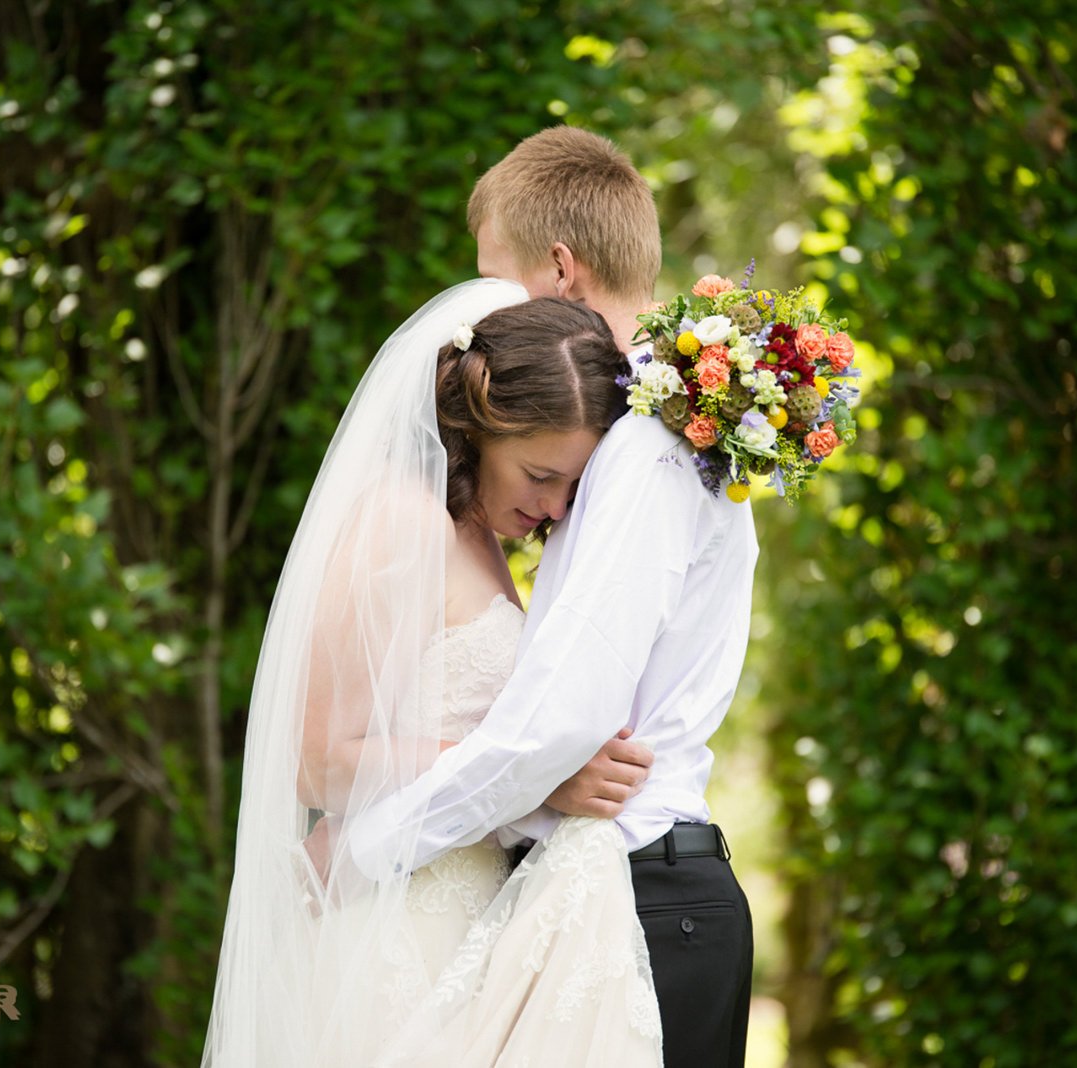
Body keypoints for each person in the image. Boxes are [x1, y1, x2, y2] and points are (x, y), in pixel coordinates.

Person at [344, 126, 759, 1067]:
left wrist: (370, 847)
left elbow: (555, 731)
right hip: (617, 893)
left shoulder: (648, 454)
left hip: (644, 902)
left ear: (561, 270)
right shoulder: (624, 441)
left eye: (495, 282)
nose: (483, 320)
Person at [200, 282, 663, 1067]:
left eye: (572, 488)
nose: (554, 507)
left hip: (461, 921)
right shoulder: (401, 523)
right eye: (540, 474)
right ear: (483, 428)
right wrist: (533, 778)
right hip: (389, 935)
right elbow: (315, 757)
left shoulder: (479, 537)